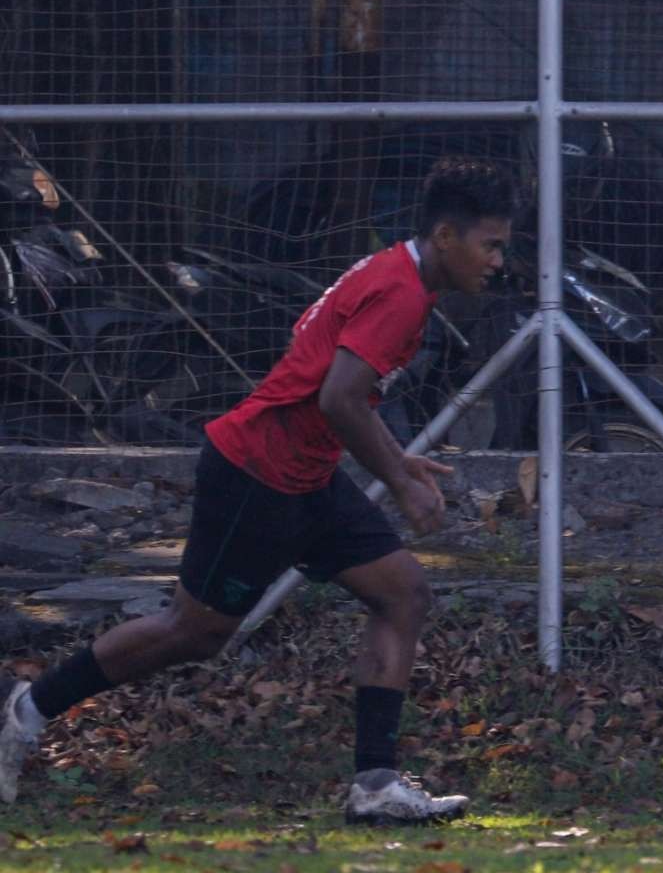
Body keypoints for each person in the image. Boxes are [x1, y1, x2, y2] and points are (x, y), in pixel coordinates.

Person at [0, 157, 514, 823]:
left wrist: (398, 463)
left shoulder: (393, 269)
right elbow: (339, 400)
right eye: (491, 244)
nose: (499, 261)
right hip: (255, 474)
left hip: (306, 477)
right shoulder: (402, 294)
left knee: (404, 593)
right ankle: (27, 709)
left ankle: (376, 785)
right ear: (447, 236)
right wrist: (399, 479)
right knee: (193, 632)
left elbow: (332, 383)